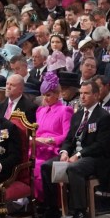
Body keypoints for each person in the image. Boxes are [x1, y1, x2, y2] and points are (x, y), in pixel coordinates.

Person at [39, 80, 110, 218]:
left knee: (75, 168)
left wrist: (79, 155)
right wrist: (64, 152)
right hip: (74, 154)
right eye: (81, 93)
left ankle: (80, 210)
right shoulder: (77, 115)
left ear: (96, 95)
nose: (82, 97)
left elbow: (100, 145)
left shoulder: (104, 116)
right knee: (46, 166)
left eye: (86, 93)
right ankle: (52, 208)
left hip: (95, 158)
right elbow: (68, 139)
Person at [32, 72, 74, 202]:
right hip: (38, 148)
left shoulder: (64, 110)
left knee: (39, 166)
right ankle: (33, 202)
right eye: (44, 95)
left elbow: (67, 135)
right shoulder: (40, 111)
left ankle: (48, 203)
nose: (46, 98)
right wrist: (35, 140)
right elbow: (36, 132)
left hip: (53, 150)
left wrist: (51, 140)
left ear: (57, 94)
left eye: (49, 95)